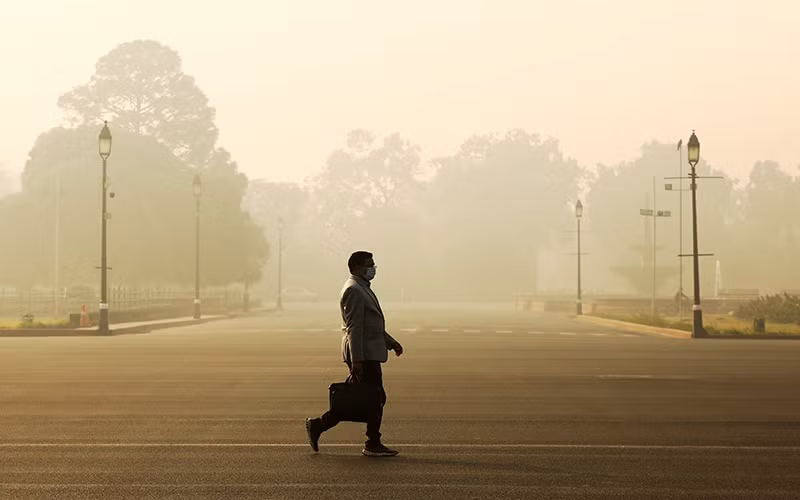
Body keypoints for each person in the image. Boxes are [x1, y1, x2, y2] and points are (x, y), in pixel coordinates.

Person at [306, 251, 404, 457]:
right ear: (358, 267)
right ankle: (372, 441)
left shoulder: (361, 288)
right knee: (374, 398)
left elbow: (371, 325)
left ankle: (319, 425)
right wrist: (357, 360)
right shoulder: (354, 291)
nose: (373, 268)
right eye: (370, 264)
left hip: (368, 353)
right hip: (364, 355)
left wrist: (391, 342)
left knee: (363, 398)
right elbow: (354, 328)